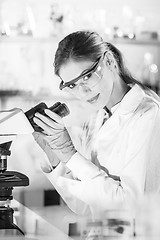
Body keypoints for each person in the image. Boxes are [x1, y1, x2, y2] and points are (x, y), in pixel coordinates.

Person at [32, 31, 160, 219]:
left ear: (109, 61)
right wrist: (56, 158)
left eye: (86, 77)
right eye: (72, 85)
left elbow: (130, 207)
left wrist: (70, 153)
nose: (82, 92)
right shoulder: (98, 117)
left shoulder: (148, 114)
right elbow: (84, 206)